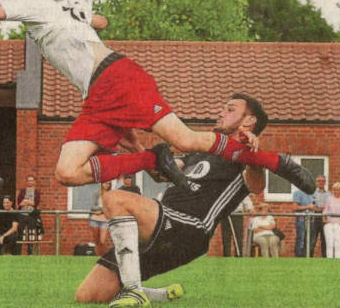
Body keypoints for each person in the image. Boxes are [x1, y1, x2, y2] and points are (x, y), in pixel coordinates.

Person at [0, 0, 315, 196]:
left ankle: (278, 162)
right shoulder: (56, 1)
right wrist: (135, 147)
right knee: (67, 171)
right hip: (98, 94)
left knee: (187, 139)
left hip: (116, 77)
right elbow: (101, 19)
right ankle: (152, 159)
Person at [75, 93, 268, 307]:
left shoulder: (247, 157)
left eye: (230, 109)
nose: (221, 112)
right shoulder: (202, 151)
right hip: (163, 225)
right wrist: (135, 147)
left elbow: (257, 186)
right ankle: (159, 294)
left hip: (190, 228)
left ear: (249, 121)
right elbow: (163, 174)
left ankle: (134, 291)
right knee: (88, 295)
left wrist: (253, 158)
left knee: (114, 199)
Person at [323, 182, 340, 258]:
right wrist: (324, 220)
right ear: (332, 190)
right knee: (329, 243)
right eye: (334, 190)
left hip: (339, 224)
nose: (336, 191)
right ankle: (329, 261)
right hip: (329, 223)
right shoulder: (329, 199)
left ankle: (337, 261)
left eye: (338, 190)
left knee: (338, 244)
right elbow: (325, 211)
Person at [16, 174, 42, 255]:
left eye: (31, 180)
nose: (30, 182)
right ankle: (18, 252)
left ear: (34, 182)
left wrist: (26, 202)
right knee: (20, 232)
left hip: (32, 215)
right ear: (26, 182)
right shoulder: (23, 191)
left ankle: (30, 252)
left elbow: (36, 203)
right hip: (22, 215)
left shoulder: (36, 192)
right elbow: (19, 202)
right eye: (28, 180)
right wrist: (29, 202)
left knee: (31, 233)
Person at [90, 181, 112, 256]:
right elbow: (92, 206)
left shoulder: (111, 195)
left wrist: (101, 210)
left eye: (109, 184)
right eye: (106, 183)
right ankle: (97, 257)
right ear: (102, 184)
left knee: (102, 241)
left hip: (105, 219)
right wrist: (98, 209)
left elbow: (109, 207)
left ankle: (104, 256)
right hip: (95, 219)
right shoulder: (97, 193)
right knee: (96, 241)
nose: (107, 185)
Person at [292, 188, 316, 257]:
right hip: (301, 219)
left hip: (311, 219)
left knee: (311, 240)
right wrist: (308, 206)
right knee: (301, 240)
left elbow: (313, 206)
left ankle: (307, 258)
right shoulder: (297, 192)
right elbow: (294, 207)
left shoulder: (312, 194)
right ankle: (299, 259)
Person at [312, 175, 330, 257]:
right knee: (313, 240)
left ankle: (325, 258)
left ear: (325, 182)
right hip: (315, 218)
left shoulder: (329, 194)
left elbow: (330, 207)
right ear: (316, 182)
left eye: (323, 181)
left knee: (325, 240)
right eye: (319, 181)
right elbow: (313, 207)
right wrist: (321, 209)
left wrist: (321, 208)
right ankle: (309, 258)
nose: (321, 182)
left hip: (326, 219)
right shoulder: (313, 193)